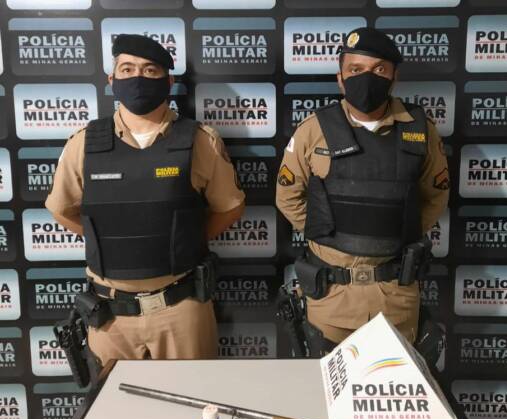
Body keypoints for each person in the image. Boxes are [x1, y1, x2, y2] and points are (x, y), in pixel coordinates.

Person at [46, 34, 245, 364]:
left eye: (150, 70)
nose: (137, 78)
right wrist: (104, 238)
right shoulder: (83, 143)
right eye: (127, 69)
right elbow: (61, 210)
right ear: (112, 80)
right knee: (113, 398)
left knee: (192, 395)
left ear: (168, 81)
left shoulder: (200, 141)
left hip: (181, 309)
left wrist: (184, 240)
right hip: (110, 315)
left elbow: (230, 207)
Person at [276, 27, 449, 354]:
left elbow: (435, 195)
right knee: (327, 384)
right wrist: (326, 232)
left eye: (378, 69)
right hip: (331, 296)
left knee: (395, 383)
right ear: (340, 78)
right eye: (355, 69)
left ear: (394, 76)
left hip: (396, 295)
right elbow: (288, 196)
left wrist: (399, 231)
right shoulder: (314, 129)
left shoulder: (420, 129)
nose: (366, 78)